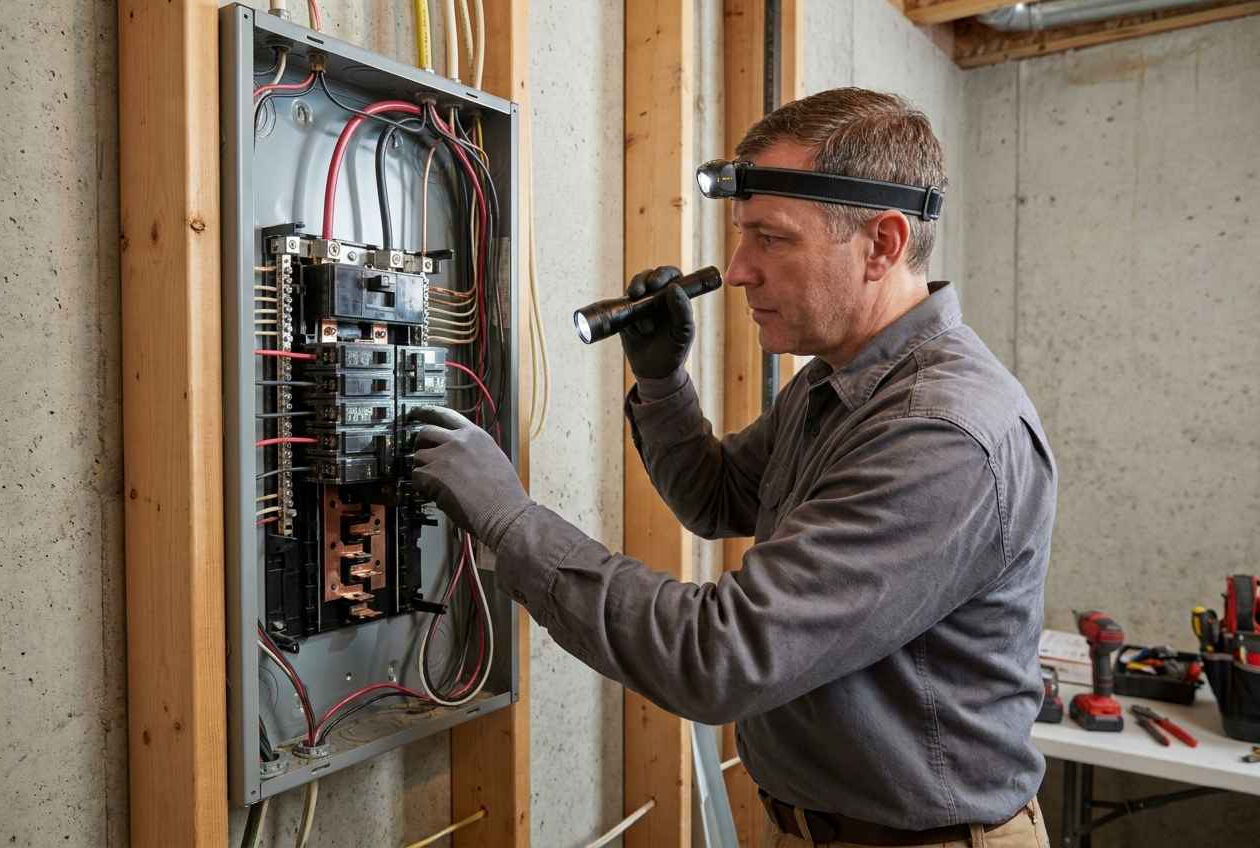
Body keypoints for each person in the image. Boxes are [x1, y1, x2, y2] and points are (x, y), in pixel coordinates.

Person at [410, 87, 1056, 848]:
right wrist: (662, 384)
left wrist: (511, 521)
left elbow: (719, 656)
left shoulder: (939, 432)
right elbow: (719, 498)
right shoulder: (839, 380)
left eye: (771, 238)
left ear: (881, 245)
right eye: (742, 237)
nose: (740, 270)